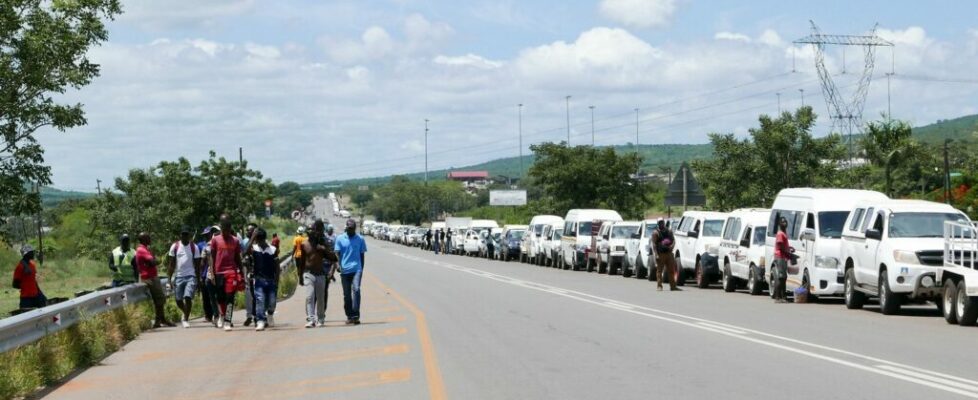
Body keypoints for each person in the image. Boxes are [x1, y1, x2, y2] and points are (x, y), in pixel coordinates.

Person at [209, 215, 244, 331]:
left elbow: (238, 258)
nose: (226, 232)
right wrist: (212, 273)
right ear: (221, 228)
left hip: (231, 272)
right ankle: (222, 316)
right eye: (224, 229)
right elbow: (212, 258)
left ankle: (228, 321)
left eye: (228, 230)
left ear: (230, 229)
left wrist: (242, 273)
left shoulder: (235, 240)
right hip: (219, 272)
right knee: (220, 297)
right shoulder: (215, 240)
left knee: (230, 297)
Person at [248, 228, 286, 331]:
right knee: (260, 300)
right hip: (259, 279)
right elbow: (244, 252)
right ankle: (260, 321)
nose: (258, 243)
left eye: (259, 240)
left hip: (271, 280)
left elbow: (277, 266)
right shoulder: (254, 248)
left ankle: (270, 314)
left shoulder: (273, 250)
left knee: (272, 301)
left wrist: (277, 281)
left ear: (263, 239)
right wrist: (252, 238)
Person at [135, 233, 174, 328]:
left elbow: (152, 262)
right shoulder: (142, 250)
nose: (150, 238)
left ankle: (161, 319)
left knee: (159, 299)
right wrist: (155, 260)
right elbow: (153, 262)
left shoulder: (143, 249)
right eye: (148, 237)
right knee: (160, 298)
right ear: (144, 239)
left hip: (150, 276)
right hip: (150, 277)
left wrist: (153, 261)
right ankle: (159, 320)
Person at [297, 220, 331, 328]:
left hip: (320, 274)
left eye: (314, 231)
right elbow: (301, 261)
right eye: (310, 231)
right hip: (308, 274)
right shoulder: (304, 244)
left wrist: (324, 249)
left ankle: (321, 318)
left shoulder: (322, 243)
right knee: (309, 296)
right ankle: (311, 319)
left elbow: (333, 257)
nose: (312, 233)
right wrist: (300, 276)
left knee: (320, 298)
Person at [167, 226, 202, 328]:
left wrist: (198, 280)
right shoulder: (175, 246)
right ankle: (186, 312)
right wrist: (169, 279)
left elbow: (197, 265)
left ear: (189, 235)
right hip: (179, 276)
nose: (185, 236)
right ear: (180, 235)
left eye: (187, 234)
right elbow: (171, 264)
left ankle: (185, 319)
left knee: (187, 297)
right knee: (178, 300)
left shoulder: (194, 247)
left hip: (191, 276)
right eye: (183, 234)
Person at [335, 218, 367, 325]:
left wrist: (361, 269)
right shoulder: (340, 239)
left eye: (352, 229)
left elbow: (362, 255)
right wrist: (338, 264)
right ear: (346, 228)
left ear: (355, 229)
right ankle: (349, 316)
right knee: (347, 295)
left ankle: (356, 315)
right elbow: (337, 253)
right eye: (349, 229)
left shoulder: (360, 239)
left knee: (356, 290)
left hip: (356, 269)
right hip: (344, 271)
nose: (350, 231)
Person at [12, 245, 46, 309]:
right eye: (31, 252)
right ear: (26, 254)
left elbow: (34, 281)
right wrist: (25, 285)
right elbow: (15, 284)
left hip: (36, 295)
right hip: (26, 298)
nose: (33, 254)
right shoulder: (20, 267)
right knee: (26, 316)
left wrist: (40, 293)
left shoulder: (32, 265)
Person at [197, 226, 218, 324]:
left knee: (216, 296)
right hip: (206, 274)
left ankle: (217, 314)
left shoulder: (217, 242)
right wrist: (200, 275)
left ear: (211, 233)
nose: (206, 236)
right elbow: (200, 261)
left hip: (216, 273)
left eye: (207, 234)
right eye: (204, 235)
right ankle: (208, 315)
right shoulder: (201, 245)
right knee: (206, 297)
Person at [651, 219, 679, 291]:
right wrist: (656, 254)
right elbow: (654, 244)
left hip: (669, 253)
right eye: (659, 223)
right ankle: (659, 286)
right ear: (658, 224)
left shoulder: (669, 231)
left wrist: (672, 247)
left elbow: (673, 240)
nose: (661, 224)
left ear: (664, 223)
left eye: (662, 222)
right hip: (660, 254)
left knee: (671, 270)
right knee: (659, 271)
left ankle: (673, 286)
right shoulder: (655, 233)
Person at [240, 223, 258, 327]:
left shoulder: (259, 241)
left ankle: (258, 315)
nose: (247, 232)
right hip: (248, 270)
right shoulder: (245, 241)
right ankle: (249, 316)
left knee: (258, 295)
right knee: (248, 295)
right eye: (246, 230)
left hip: (258, 272)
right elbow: (243, 253)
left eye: (249, 230)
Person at [773, 216, 793, 303]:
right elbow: (780, 246)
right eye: (783, 222)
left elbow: (783, 245)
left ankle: (783, 297)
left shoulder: (783, 233)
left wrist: (789, 248)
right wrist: (787, 252)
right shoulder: (780, 234)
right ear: (779, 224)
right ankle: (778, 297)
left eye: (785, 222)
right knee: (781, 277)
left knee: (783, 277)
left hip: (782, 256)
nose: (785, 224)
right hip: (780, 256)